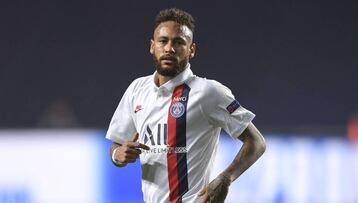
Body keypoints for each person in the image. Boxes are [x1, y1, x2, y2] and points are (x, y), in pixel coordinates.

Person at [106, 8, 266, 203]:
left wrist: (226, 178)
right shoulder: (137, 89)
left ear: (192, 50)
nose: (169, 49)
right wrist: (117, 155)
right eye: (163, 41)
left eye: (179, 42)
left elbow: (256, 142)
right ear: (152, 46)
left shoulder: (209, 92)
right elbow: (116, 143)